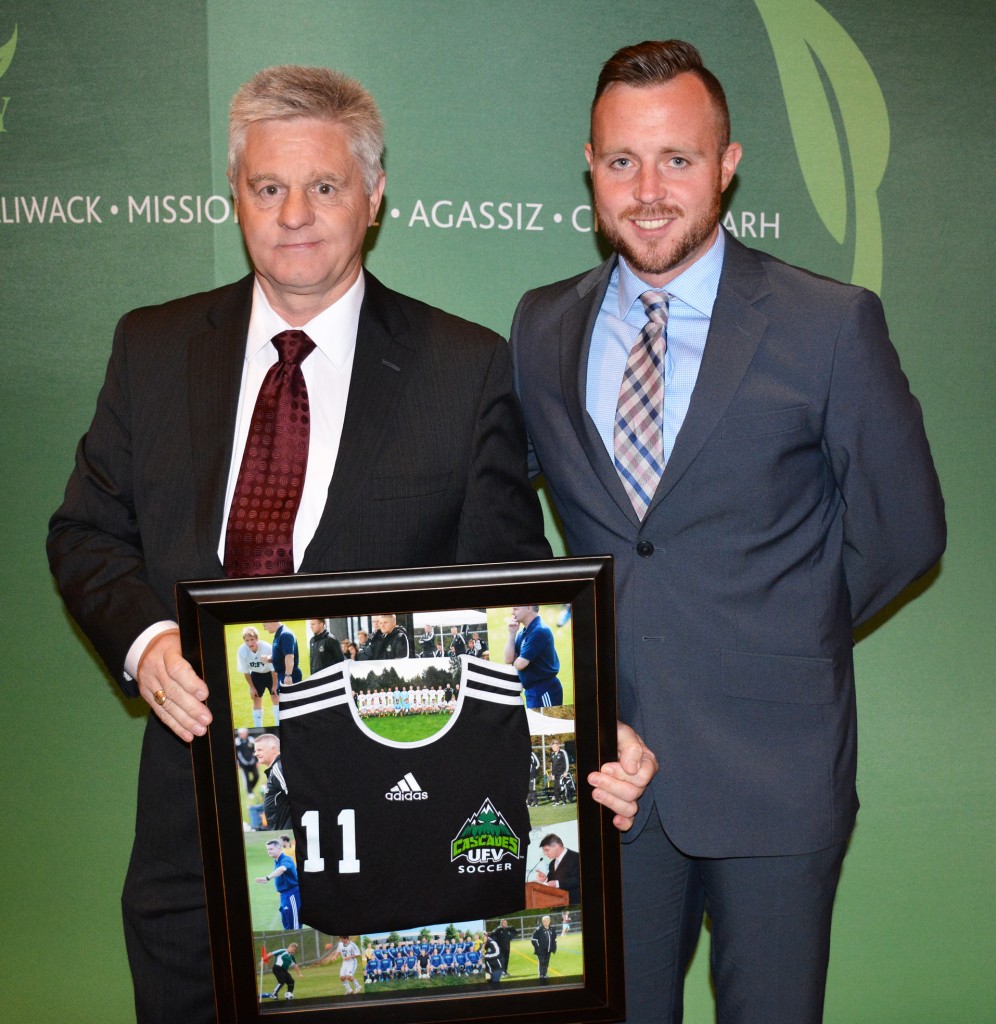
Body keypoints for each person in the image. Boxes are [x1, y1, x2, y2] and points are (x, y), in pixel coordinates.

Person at [46, 62, 651, 1024]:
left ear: (372, 198)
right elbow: (86, 533)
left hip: (391, 856)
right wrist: (145, 643)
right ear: (236, 196)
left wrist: (580, 715)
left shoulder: (461, 368)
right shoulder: (152, 349)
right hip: (189, 836)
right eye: (267, 187)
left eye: (324, 186)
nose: (294, 213)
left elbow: (512, 586)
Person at [509, 38, 946, 1024]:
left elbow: (906, 528)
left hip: (777, 771)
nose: (649, 188)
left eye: (679, 159)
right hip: (604, 773)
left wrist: (781, 629)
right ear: (589, 165)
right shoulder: (540, 327)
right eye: (622, 161)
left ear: (729, 163)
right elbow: (505, 519)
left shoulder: (829, 324)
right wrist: (565, 686)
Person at [503, 605, 562, 708]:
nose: (512, 612)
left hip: (544, 691)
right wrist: (512, 633)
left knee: (546, 723)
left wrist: (516, 659)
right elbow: (508, 659)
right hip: (533, 692)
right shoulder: (524, 632)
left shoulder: (539, 631)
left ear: (529, 607)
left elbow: (521, 664)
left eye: (515, 609)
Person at [236, 626, 279, 728]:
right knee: (256, 699)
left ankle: (278, 726)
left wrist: (275, 685)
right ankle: (258, 728)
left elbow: (274, 669)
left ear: (257, 639)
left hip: (270, 674)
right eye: (247, 640)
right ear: (244, 640)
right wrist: (252, 687)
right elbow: (246, 671)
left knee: (275, 696)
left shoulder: (267, 648)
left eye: (252, 639)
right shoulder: (242, 651)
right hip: (256, 674)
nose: (250, 643)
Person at [254, 838, 300, 929]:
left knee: (294, 926)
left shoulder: (286, 859)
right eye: (267, 849)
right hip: (284, 896)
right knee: (287, 925)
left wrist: (267, 878)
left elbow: (282, 869)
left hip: (291, 895)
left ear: (279, 849)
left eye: (271, 849)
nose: (269, 851)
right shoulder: (277, 861)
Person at [253, 733, 291, 831]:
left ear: (273, 749)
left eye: (259, 750)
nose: (256, 753)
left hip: (285, 832)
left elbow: (295, 796)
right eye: (255, 750)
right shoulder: (278, 766)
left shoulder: (278, 768)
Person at [535, 833, 581, 905]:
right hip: (559, 904)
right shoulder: (552, 863)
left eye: (547, 850)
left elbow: (579, 879)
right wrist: (545, 879)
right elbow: (552, 883)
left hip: (576, 904)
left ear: (557, 846)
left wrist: (558, 883)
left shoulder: (576, 857)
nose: (545, 854)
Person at [263, 620, 301, 703]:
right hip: (283, 675)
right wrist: (269, 659)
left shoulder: (285, 634)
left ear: (271, 622)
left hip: (289, 675)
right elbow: (282, 655)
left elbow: (289, 656)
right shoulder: (279, 634)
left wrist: (288, 676)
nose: (264, 629)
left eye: (264, 625)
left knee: (292, 705)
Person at [531, 915, 557, 981]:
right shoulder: (539, 929)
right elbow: (533, 939)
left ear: (549, 921)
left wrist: (554, 946)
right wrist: (538, 948)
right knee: (541, 963)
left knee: (546, 963)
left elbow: (554, 938)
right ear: (542, 922)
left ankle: (545, 974)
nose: (546, 922)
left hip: (548, 950)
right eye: (545, 921)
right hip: (541, 951)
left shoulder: (552, 929)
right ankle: (541, 975)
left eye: (548, 920)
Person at [234, 726, 259, 792]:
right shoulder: (236, 742)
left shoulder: (251, 739)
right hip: (243, 764)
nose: (246, 734)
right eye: (244, 733)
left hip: (252, 762)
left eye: (246, 732)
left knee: (256, 776)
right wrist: (237, 762)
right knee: (246, 778)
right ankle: (250, 792)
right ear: (240, 734)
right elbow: (236, 754)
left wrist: (257, 761)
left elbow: (255, 750)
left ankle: (250, 787)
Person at [549, 738, 570, 805]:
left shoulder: (562, 752)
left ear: (558, 746)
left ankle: (564, 801)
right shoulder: (552, 754)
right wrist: (552, 774)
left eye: (555, 746)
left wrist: (566, 771)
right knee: (555, 788)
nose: (553, 748)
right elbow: (552, 765)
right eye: (552, 747)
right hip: (555, 774)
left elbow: (567, 762)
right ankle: (557, 802)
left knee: (562, 787)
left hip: (562, 773)